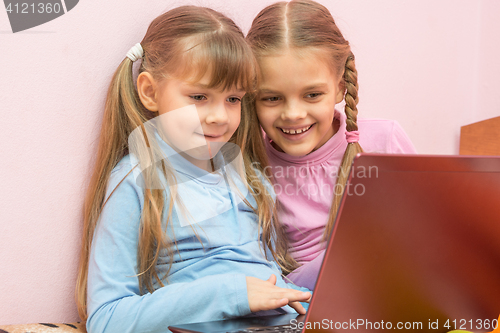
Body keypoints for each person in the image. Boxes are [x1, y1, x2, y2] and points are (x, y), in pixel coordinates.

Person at [75, 6, 311, 333]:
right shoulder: (137, 180)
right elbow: (107, 320)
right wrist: (229, 293)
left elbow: (273, 281)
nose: (219, 117)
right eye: (199, 96)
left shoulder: (251, 180)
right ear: (149, 91)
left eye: (233, 99)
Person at [245, 0, 417, 291]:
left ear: (339, 87)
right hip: (298, 304)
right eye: (272, 98)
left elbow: (426, 237)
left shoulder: (383, 141)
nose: (293, 114)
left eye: (312, 95)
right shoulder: (248, 164)